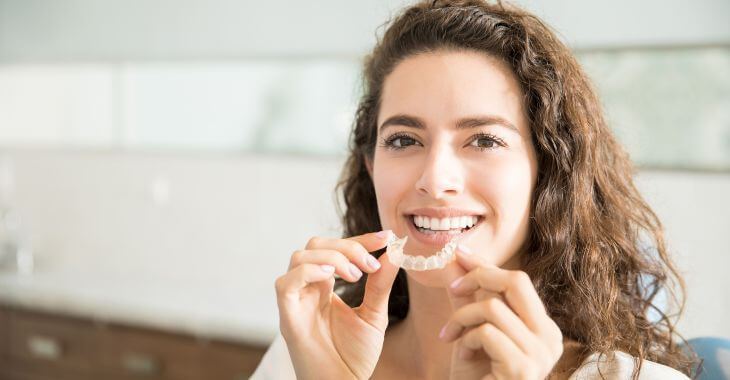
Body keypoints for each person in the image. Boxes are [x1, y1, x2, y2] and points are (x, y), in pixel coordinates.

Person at [251, 0, 700, 378]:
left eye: (484, 140)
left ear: (548, 173)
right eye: (404, 140)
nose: (435, 179)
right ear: (371, 167)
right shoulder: (303, 355)